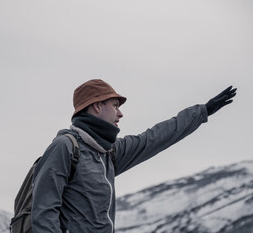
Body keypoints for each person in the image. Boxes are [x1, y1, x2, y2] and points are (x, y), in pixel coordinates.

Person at [31, 79, 237, 233]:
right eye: (115, 106)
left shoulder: (109, 152)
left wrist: (202, 112)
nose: (120, 114)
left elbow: (155, 138)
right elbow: (43, 213)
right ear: (97, 106)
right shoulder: (65, 147)